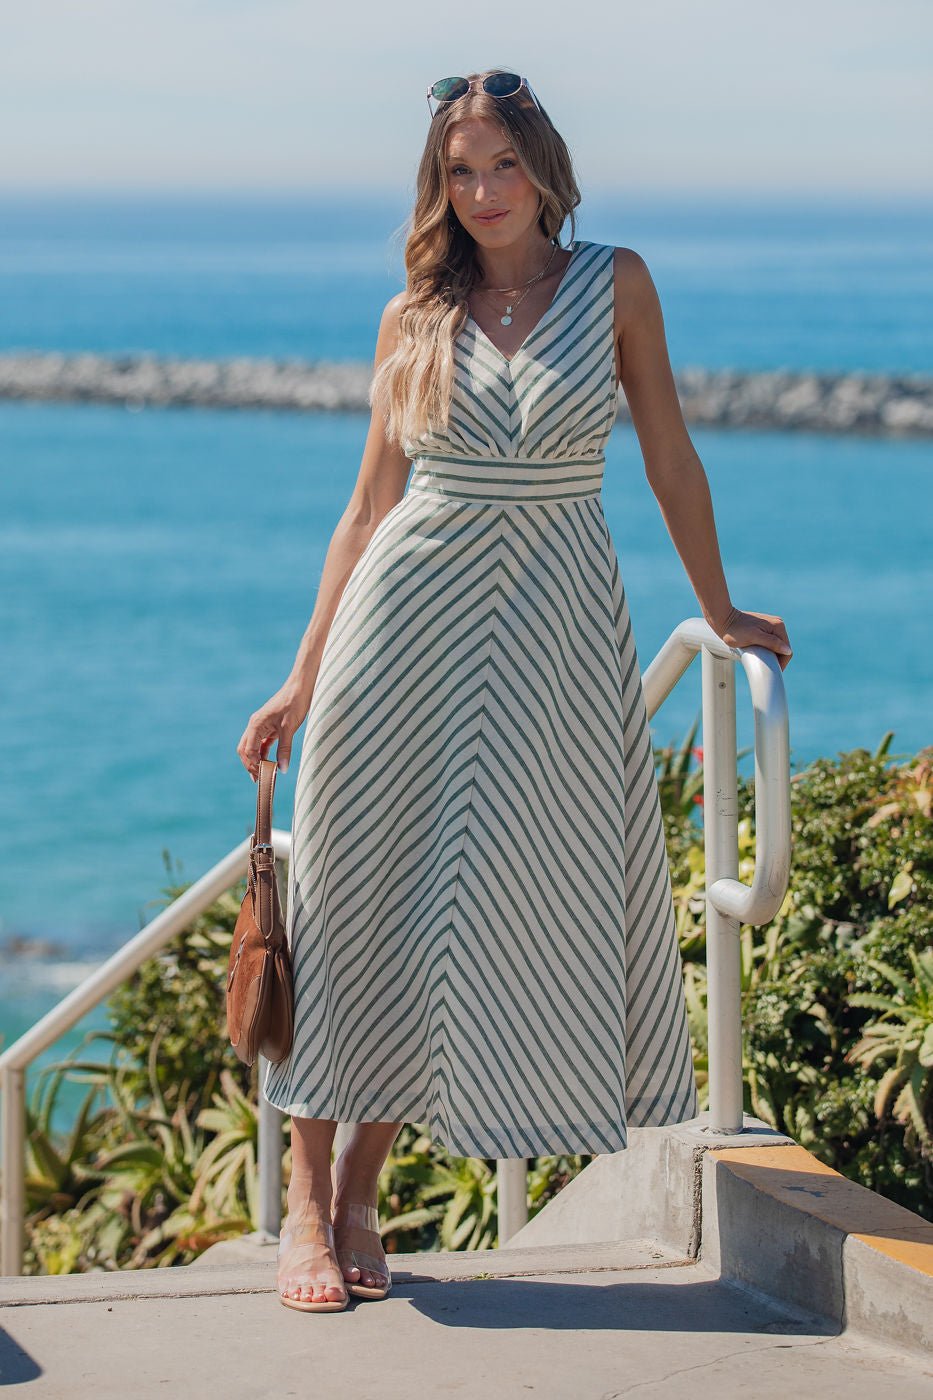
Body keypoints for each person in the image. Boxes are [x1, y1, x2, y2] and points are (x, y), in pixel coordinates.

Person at [236, 69, 793, 1315]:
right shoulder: (413, 314)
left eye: (501, 165)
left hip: (556, 634)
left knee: (479, 904)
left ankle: (367, 1184)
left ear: (544, 168)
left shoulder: (616, 284)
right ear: (436, 185)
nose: (483, 192)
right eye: (459, 171)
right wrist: (302, 674)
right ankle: (311, 1198)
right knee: (357, 900)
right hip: (400, 632)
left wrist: (717, 606)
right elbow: (367, 507)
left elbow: (669, 455)